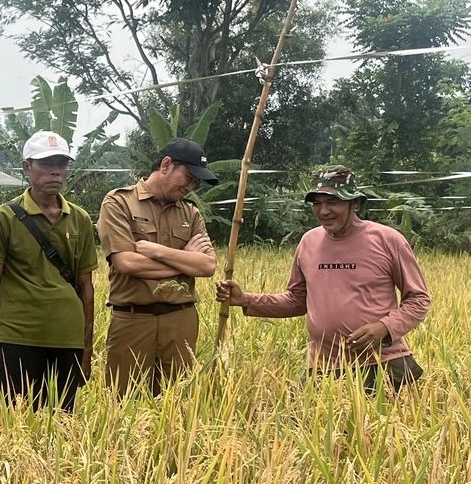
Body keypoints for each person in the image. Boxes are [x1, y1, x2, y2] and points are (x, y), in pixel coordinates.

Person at [215, 165, 430, 392]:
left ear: (354, 203)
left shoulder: (387, 240)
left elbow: (419, 299)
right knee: (301, 423)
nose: (323, 211)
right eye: (317, 203)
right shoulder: (308, 242)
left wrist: (384, 327)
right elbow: (297, 301)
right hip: (322, 366)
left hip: (380, 363)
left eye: (332, 202)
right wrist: (246, 300)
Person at [0, 131, 97, 411]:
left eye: (62, 163)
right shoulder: (2, 218)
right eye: (46, 163)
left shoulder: (79, 219)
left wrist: (87, 350)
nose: (55, 171)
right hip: (18, 337)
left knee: (61, 425)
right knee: (10, 426)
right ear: (27, 167)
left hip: (67, 339)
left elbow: (87, 288)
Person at [98, 137, 218, 395]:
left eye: (196, 182)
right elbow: (127, 262)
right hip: (133, 319)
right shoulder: (119, 202)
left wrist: (159, 251)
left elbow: (208, 265)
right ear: (166, 165)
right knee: (124, 402)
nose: (191, 186)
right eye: (188, 177)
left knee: (177, 404)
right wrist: (185, 260)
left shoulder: (191, 213)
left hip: (181, 319)